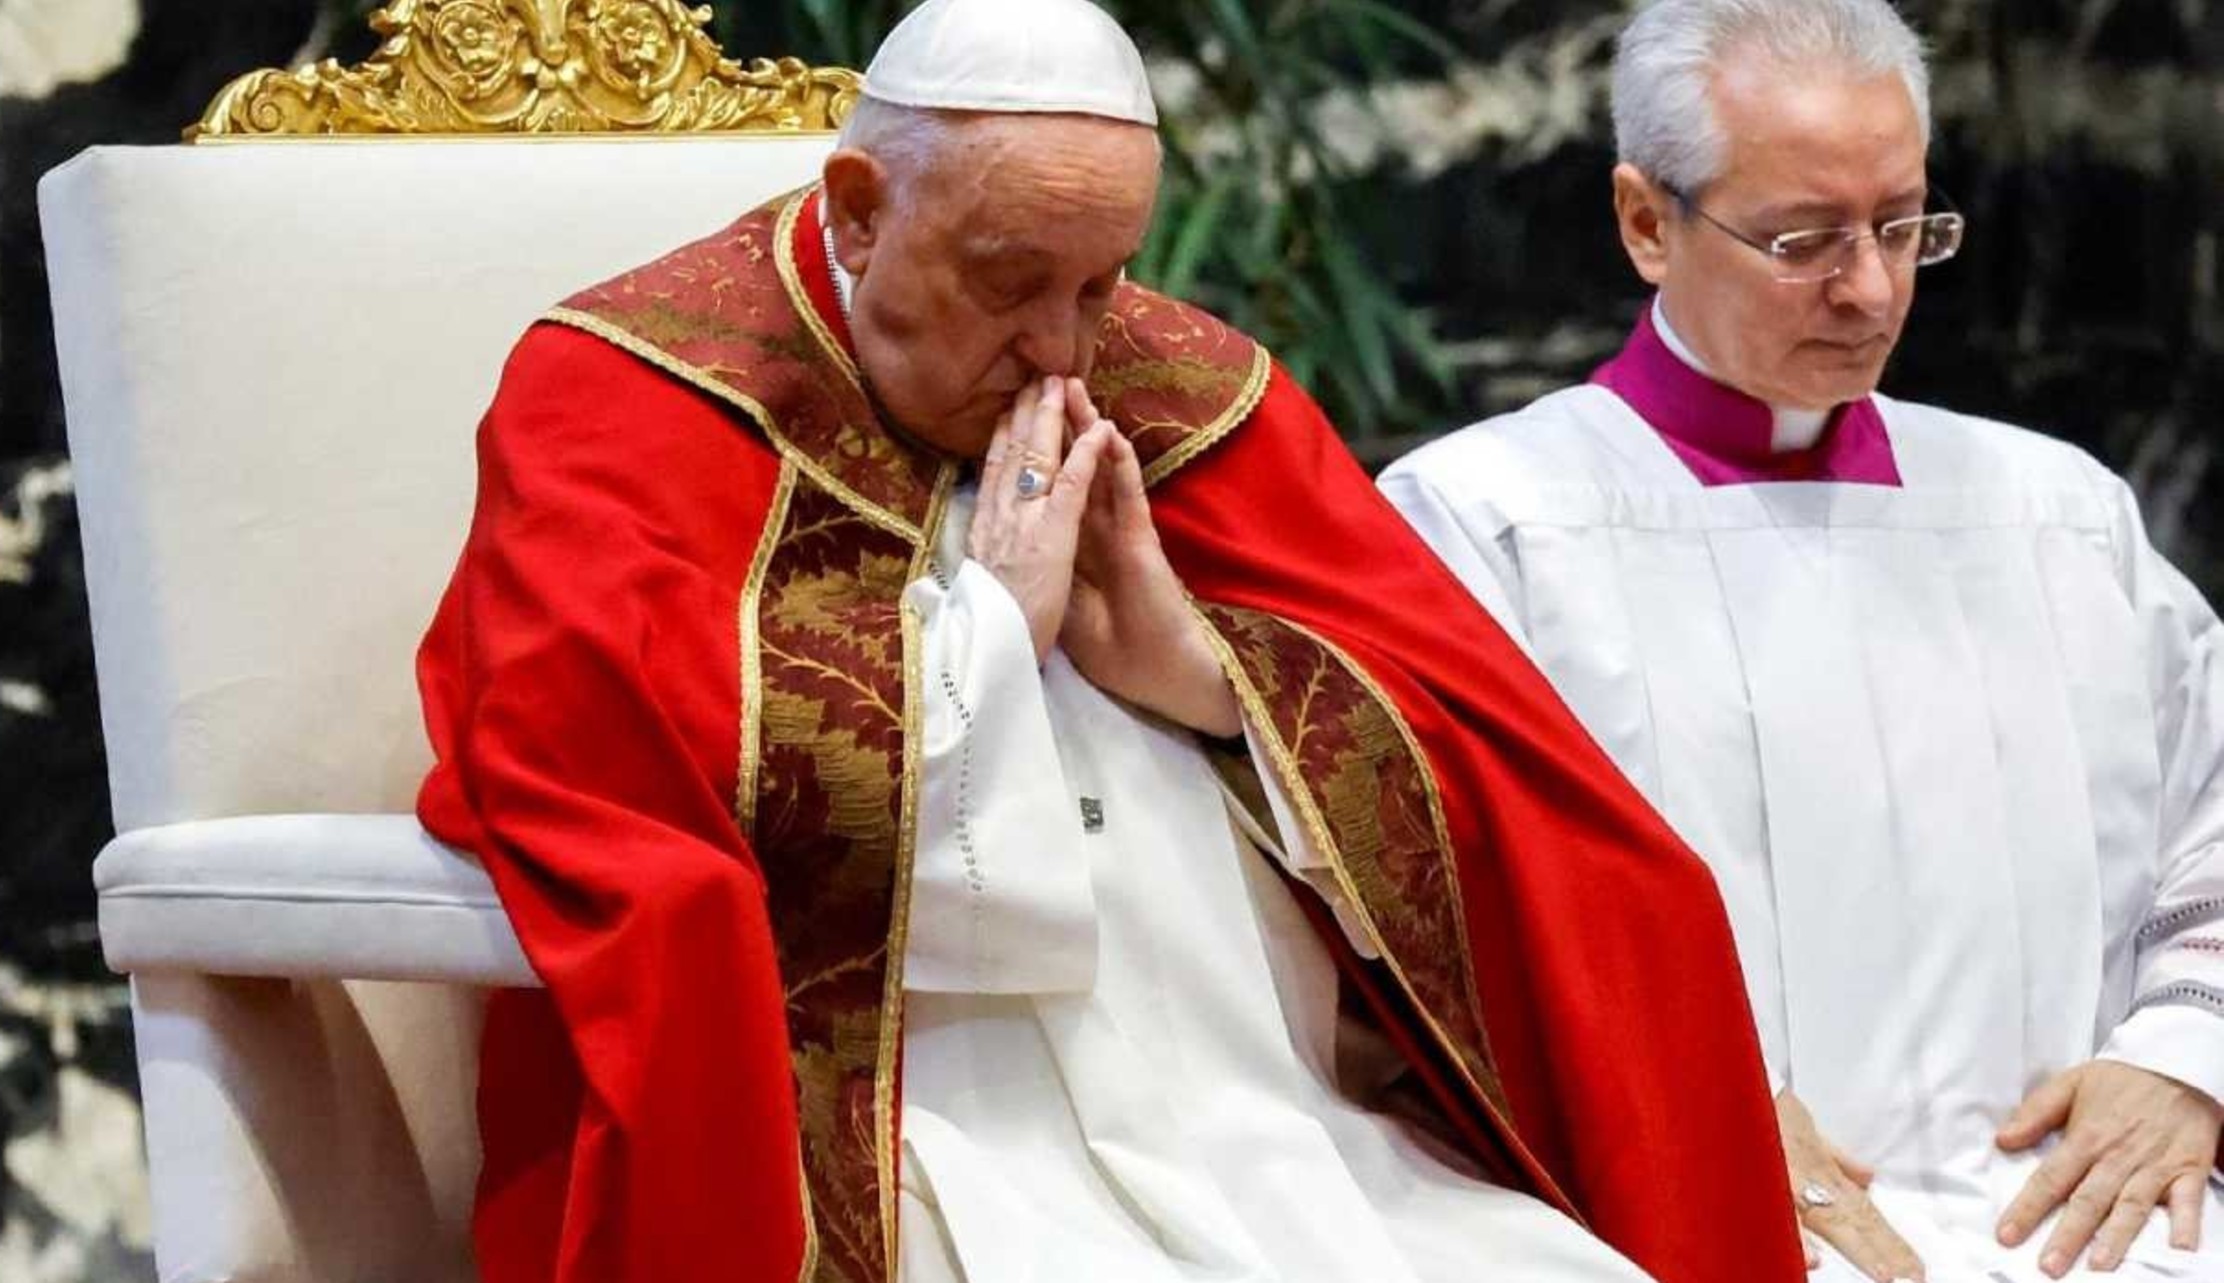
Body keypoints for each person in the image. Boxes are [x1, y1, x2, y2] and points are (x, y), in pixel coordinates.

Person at [413, 0, 1805, 1279]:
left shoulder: (1178, 389)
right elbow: (602, 779)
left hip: (1270, 1131)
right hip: (910, 1150)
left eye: (1104, 282)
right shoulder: (627, 399)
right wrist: (989, 641)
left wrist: (1208, 684)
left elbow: (1513, 788)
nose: (1068, 353)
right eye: (1011, 280)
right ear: (855, 211)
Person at [1381, 2, 2224, 1280]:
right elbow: (1434, 915)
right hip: (1679, 1223)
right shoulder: (1485, 528)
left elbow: (2212, 806)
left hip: (2098, 1227)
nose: (1873, 289)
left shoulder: (2057, 513)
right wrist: (1668, 1115)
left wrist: (2182, 1058)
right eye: (1804, 239)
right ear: (1647, 221)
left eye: (1903, 225)